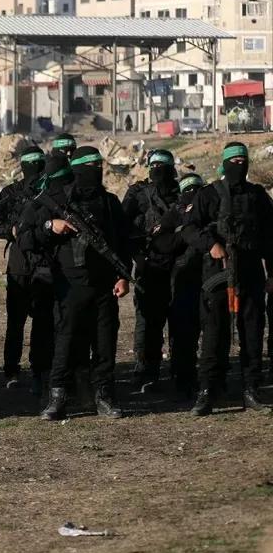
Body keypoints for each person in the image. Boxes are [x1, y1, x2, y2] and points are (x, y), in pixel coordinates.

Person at [19, 148, 132, 422]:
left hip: (104, 285)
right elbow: (25, 237)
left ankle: (104, 395)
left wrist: (123, 275)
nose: (96, 171)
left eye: (99, 166)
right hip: (69, 285)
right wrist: (50, 226)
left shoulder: (109, 202)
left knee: (105, 343)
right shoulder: (54, 200)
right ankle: (57, 397)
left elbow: (122, 242)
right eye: (90, 166)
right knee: (65, 342)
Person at [185, 142, 273, 415]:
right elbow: (189, 228)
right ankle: (207, 390)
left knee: (252, 332)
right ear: (224, 163)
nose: (239, 165)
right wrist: (211, 244)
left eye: (243, 161)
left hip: (250, 272)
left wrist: (272, 273)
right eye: (234, 161)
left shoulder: (257, 195)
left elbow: (271, 236)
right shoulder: (208, 194)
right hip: (218, 272)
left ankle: (251, 388)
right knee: (214, 333)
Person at [0, 144, 52, 395]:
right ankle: (12, 371)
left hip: (44, 263)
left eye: (38, 163)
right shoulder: (11, 192)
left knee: (43, 322)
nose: (35, 168)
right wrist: (11, 231)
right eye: (31, 163)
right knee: (15, 322)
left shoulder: (50, 191)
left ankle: (39, 369)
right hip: (19, 265)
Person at [123, 149, 181, 394]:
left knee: (181, 321)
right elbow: (123, 228)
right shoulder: (138, 194)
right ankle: (146, 369)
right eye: (154, 165)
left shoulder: (183, 193)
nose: (158, 170)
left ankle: (180, 371)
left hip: (179, 266)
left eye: (162, 166)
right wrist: (137, 256)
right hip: (149, 265)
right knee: (147, 322)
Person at [169, 173, 205, 399]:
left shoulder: (210, 207)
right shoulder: (175, 213)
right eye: (188, 190)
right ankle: (183, 378)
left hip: (210, 274)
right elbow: (161, 242)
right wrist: (186, 233)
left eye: (197, 189)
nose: (193, 194)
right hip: (183, 276)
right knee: (184, 332)